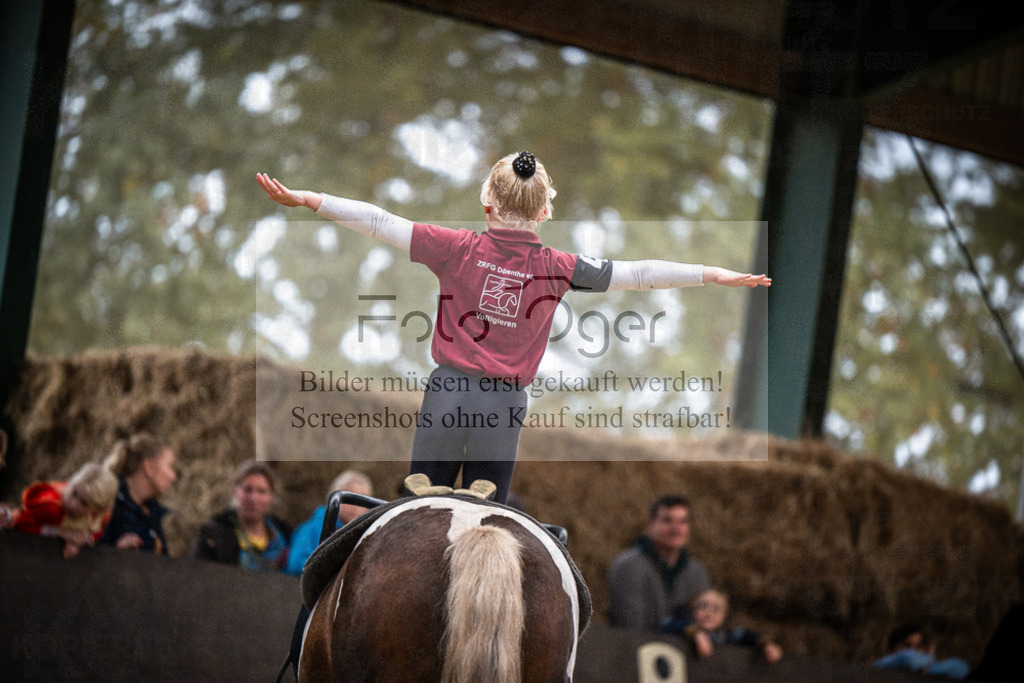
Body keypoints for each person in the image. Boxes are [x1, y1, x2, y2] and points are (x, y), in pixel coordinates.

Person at [257, 153, 770, 505]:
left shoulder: (456, 246)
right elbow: (638, 274)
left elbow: (378, 221)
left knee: (415, 507)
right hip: (501, 407)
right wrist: (710, 274)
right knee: (489, 524)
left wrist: (310, 199)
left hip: (448, 394)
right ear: (545, 211)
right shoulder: (559, 265)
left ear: (486, 204)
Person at [607, 494, 710, 632]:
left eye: (683, 522)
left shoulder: (697, 573)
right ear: (650, 524)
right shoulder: (629, 567)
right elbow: (631, 627)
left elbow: (705, 627)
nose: (676, 529)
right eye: (668, 521)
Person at [191, 460, 292, 572]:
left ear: (271, 496)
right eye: (247, 490)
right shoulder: (214, 537)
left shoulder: (285, 538)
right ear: (235, 492)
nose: (253, 498)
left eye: (261, 491)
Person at [11, 462, 119, 559]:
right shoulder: (52, 507)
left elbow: (96, 532)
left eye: (84, 504)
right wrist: (57, 532)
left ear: (96, 510)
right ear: (71, 484)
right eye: (74, 494)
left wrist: (81, 540)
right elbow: (20, 523)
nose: (74, 504)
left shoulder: (95, 518)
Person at [284, 469, 374, 576]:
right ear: (336, 498)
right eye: (351, 498)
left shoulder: (370, 534)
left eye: (363, 499)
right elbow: (295, 565)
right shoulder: (311, 529)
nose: (357, 506)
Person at [99, 433, 177, 554]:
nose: (173, 476)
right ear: (149, 467)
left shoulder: (153, 515)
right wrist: (115, 551)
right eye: (170, 466)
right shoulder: (105, 502)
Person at [682, 588, 783, 663]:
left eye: (716, 609)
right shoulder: (683, 630)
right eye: (703, 606)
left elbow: (749, 636)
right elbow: (669, 624)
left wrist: (768, 644)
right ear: (693, 610)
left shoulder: (728, 636)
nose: (709, 613)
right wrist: (696, 633)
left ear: (724, 616)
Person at [873, 622, 969, 679]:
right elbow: (909, 659)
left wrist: (928, 668)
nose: (913, 650)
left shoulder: (925, 665)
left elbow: (960, 667)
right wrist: (929, 658)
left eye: (918, 646)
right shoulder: (887, 662)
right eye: (907, 645)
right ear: (893, 647)